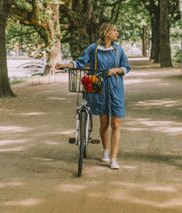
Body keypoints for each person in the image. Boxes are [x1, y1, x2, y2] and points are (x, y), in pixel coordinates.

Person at [55, 23, 131, 170]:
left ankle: (114, 159)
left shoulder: (119, 49)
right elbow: (79, 61)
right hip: (98, 87)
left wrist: (116, 69)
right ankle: (106, 151)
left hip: (115, 88)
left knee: (116, 124)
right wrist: (65, 65)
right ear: (106, 33)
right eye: (114, 30)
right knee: (104, 123)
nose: (117, 32)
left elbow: (126, 67)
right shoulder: (93, 48)